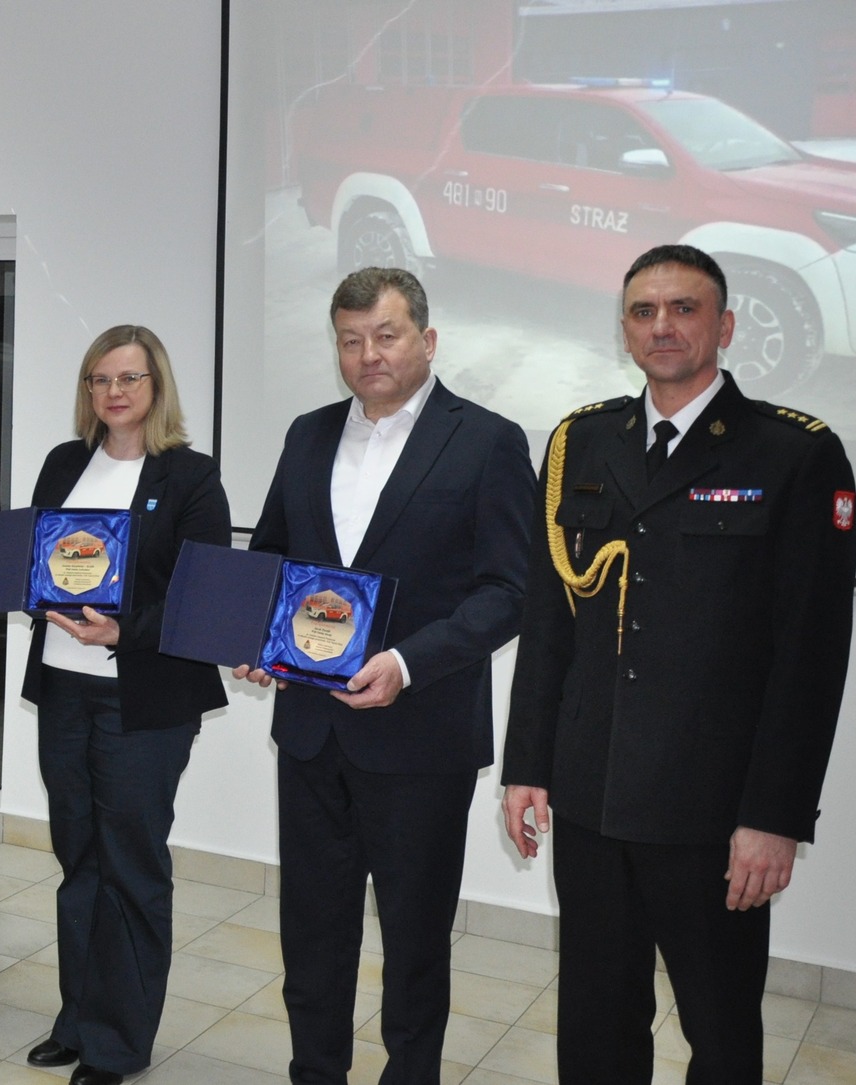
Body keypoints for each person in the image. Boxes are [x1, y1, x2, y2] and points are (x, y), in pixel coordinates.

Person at [502, 244, 856, 1084]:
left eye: (684, 308)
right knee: (595, 1026)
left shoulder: (794, 454)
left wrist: (774, 816)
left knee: (721, 1033)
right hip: (591, 796)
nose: (662, 325)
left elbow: (810, 659)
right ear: (625, 328)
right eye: (643, 311)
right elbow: (550, 622)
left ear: (724, 326)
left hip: (712, 811)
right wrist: (528, 765)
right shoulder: (580, 442)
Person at [237, 267, 536, 1084]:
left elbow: (510, 591)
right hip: (311, 733)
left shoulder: (487, 440)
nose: (367, 354)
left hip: (421, 738)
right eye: (350, 339)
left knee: (414, 946)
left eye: (386, 335)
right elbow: (271, 555)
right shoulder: (307, 434)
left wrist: (407, 662)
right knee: (312, 937)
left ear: (427, 340)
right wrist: (255, 634)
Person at [21, 325, 229, 1085]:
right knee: (78, 859)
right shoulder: (63, 463)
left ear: (156, 386)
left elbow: (204, 597)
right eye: (99, 379)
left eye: (129, 378)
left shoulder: (191, 477)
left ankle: (119, 1043)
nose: (113, 392)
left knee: (131, 867)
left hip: (143, 697)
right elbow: (36, 557)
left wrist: (123, 629)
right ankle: (78, 1018)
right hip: (62, 687)